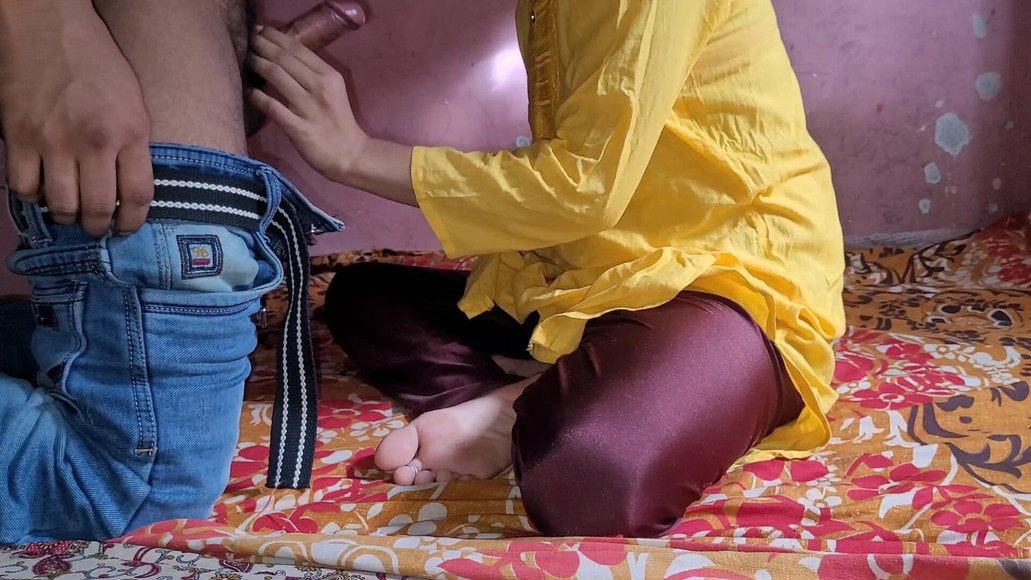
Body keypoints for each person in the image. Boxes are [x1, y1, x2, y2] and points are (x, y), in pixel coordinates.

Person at [250, 0, 846, 538]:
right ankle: (539, 396)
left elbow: (582, 187)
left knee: (588, 481)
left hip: (731, 285)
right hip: (591, 284)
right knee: (365, 298)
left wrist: (355, 155)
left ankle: (537, 401)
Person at [0, 0, 339, 543]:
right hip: (141, 205)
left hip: (153, 201)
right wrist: (43, 18)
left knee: (129, 491)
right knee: (132, 500)